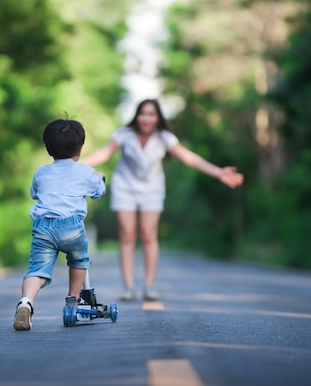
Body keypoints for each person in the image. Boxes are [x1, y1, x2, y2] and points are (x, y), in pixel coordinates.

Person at [80, 98, 244, 302]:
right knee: (127, 234)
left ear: (158, 118)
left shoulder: (165, 137)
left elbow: (189, 157)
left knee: (149, 234)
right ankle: (128, 287)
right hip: (125, 187)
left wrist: (218, 172)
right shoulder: (124, 134)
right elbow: (104, 153)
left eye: (151, 114)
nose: (146, 118)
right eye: (143, 113)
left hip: (152, 190)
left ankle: (150, 285)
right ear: (136, 116)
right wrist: (74, 164)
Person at [13, 117, 107, 331]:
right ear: (80, 149)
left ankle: (26, 301)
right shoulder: (85, 172)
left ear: (49, 149)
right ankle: (73, 302)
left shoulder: (41, 172)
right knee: (79, 260)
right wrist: (100, 179)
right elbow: (98, 192)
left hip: (43, 227)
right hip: (71, 227)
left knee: (37, 270)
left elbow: (34, 193)